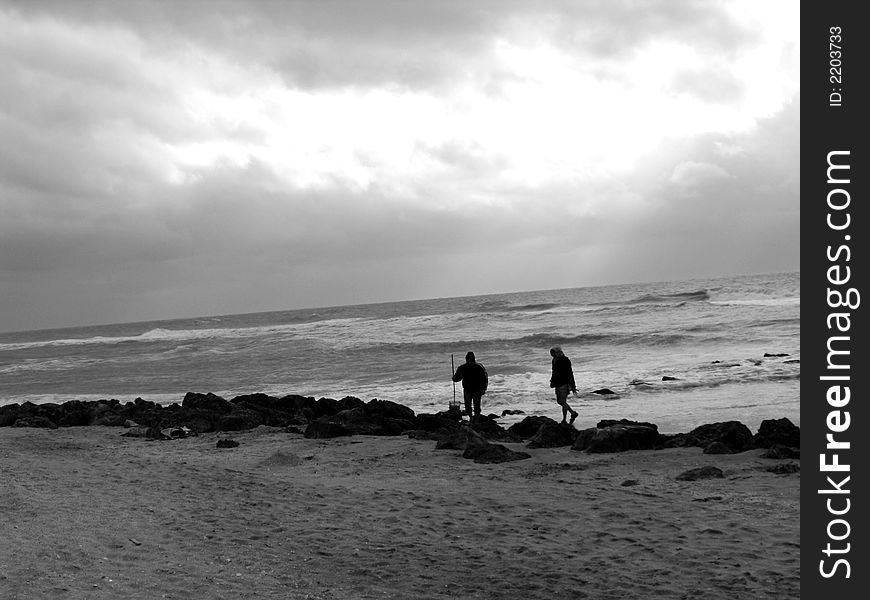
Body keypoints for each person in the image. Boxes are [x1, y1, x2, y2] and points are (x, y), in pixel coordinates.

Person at [451, 351, 488, 422]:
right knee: (467, 404)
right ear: (466, 359)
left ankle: (476, 418)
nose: (469, 360)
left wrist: (484, 388)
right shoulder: (462, 368)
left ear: (474, 359)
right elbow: (458, 377)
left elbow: (484, 378)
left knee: (477, 404)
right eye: (468, 359)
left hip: (477, 389)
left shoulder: (479, 367)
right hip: (467, 389)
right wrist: (454, 378)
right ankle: (471, 417)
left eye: (471, 359)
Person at [550, 346, 579, 424]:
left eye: (553, 353)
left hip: (564, 384)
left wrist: (573, 386)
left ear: (558, 352)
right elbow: (554, 372)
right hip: (557, 384)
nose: (552, 355)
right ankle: (573, 413)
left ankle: (564, 420)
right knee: (560, 402)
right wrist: (552, 381)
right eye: (551, 354)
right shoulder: (554, 360)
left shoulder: (565, 360)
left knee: (563, 401)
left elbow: (570, 373)